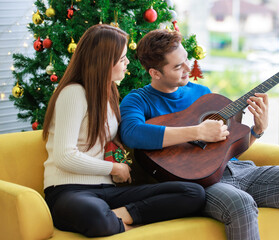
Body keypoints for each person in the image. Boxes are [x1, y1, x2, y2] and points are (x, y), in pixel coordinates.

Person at [120, 29, 279, 240]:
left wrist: (258, 130)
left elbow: (226, 149)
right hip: (202, 186)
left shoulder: (202, 94)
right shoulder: (138, 100)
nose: (188, 67)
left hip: (241, 171)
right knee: (241, 203)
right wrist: (197, 132)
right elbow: (131, 133)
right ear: (155, 73)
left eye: (186, 59)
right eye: (178, 66)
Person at [41, 24, 205, 238]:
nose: (127, 62)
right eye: (121, 59)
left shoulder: (109, 93)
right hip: (69, 190)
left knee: (193, 193)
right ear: (103, 63)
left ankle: (115, 218)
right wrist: (113, 169)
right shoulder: (73, 93)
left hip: (108, 191)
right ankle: (120, 223)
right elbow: (64, 157)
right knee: (93, 214)